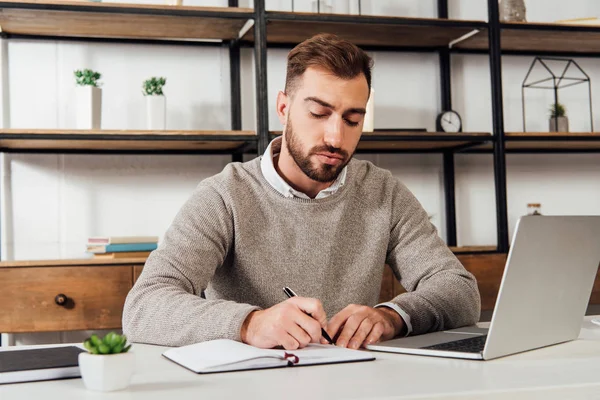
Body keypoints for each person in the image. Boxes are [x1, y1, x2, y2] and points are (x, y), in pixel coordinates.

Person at [123, 33, 480, 351]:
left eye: (352, 120)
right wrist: (249, 324)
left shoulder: (382, 191)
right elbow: (144, 306)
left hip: (355, 385)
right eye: (318, 113)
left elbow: (460, 291)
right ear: (283, 107)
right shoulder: (225, 195)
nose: (335, 138)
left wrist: (393, 316)